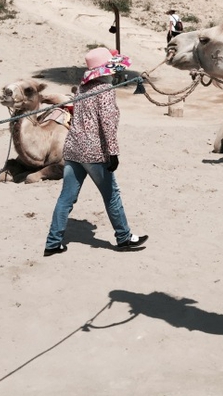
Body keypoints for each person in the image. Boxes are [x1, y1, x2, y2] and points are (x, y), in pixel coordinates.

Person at [44, 47, 148, 256]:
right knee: (112, 194)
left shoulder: (83, 88)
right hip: (93, 151)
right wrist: (113, 153)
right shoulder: (105, 91)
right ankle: (124, 237)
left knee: (66, 197)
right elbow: (107, 123)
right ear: (106, 69)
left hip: (73, 148)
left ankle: (53, 243)